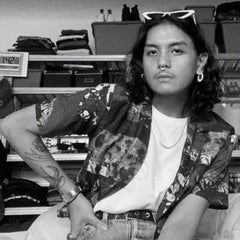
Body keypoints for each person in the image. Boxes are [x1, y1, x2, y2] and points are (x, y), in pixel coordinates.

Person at [0, 9, 237, 240]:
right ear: (141, 62)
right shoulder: (111, 101)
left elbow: (181, 226)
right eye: (152, 52)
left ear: (200, 62)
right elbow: (14, 126)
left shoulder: (217, 136)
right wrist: (73, 197)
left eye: (176, 50)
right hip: (98, 228)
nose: (163, 62)